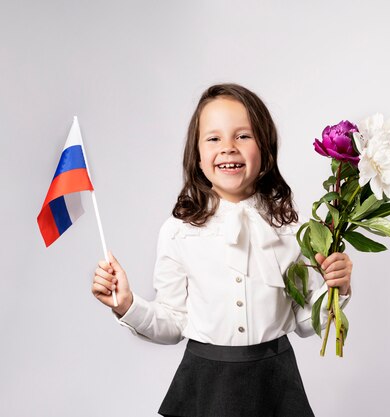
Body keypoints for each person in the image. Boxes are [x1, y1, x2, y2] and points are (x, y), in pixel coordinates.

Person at [91, 83, 353, 417]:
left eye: (243, 136)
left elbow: (305, 322)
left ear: (266, 149)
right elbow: (172, 323)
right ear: (197, 156)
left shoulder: (293, 229)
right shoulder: (178, 232)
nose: (228, 148)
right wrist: (127, 305)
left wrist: (337, 288)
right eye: (213, 138)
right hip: (204, 386)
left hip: (275, 385)